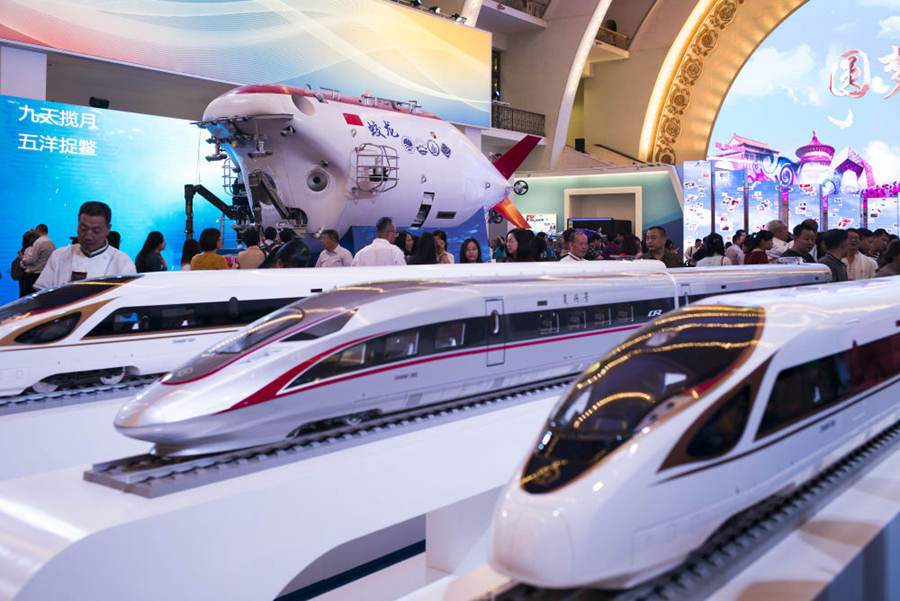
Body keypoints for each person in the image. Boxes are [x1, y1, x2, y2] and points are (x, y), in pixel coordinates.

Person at [35, 201, 135, 289]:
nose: (88, 236)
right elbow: (42, 292)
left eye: (96, 231)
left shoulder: (123, 262)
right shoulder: (59, 255)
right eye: (83, 229)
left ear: (108, 229)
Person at [19, 223, 55, 292]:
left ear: (38, 230)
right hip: (44, 275)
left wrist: (22, 259)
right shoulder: (51, 243)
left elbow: (31, 259)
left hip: (34, 276)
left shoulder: (39, 242)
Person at [13, 230, 39, 297]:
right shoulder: (33, 253)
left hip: (25, 293)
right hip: (30, 290)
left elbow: (15, 275)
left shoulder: (21, 254)